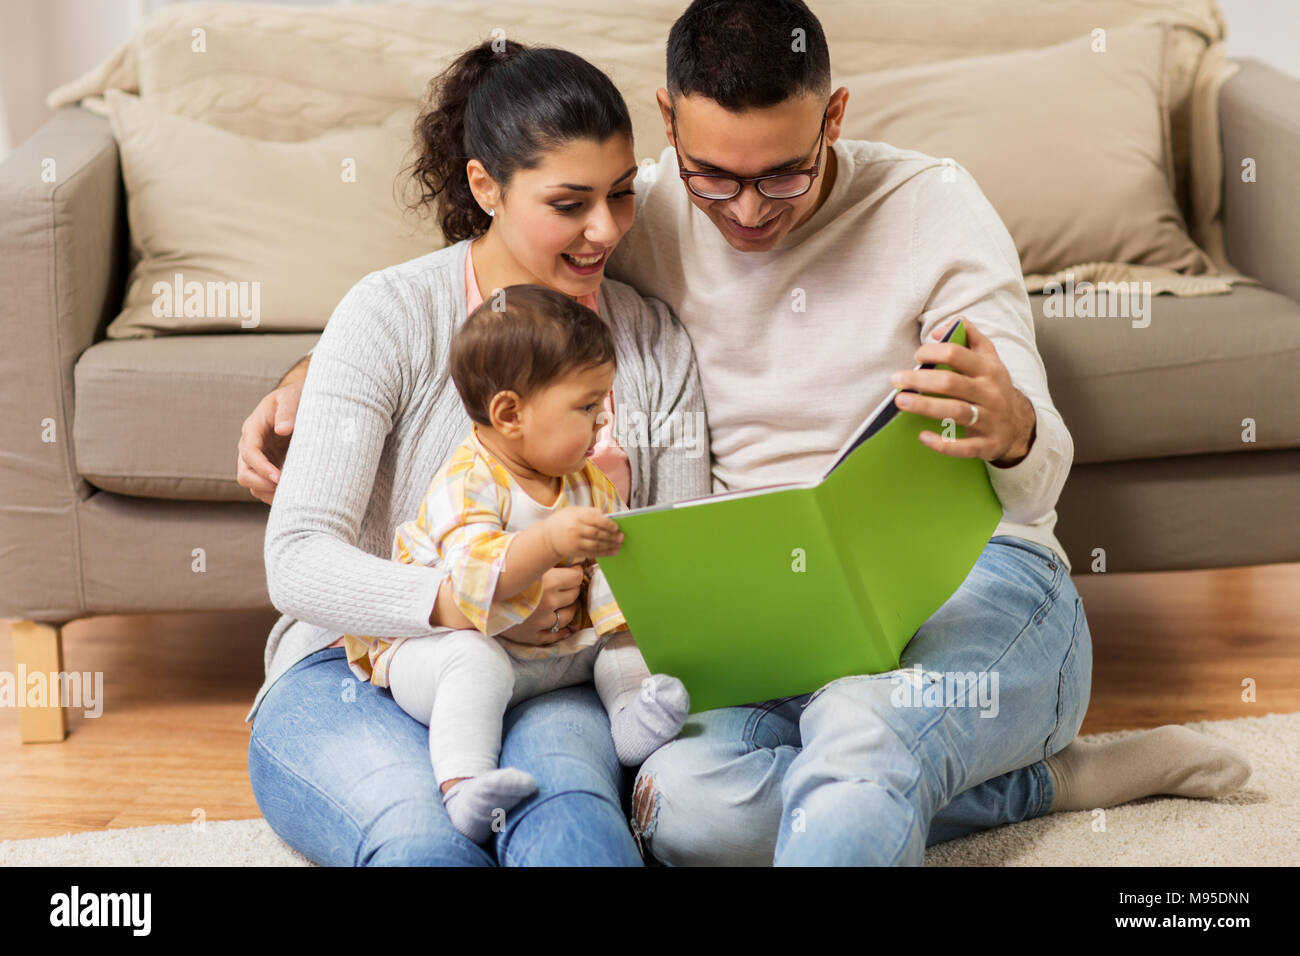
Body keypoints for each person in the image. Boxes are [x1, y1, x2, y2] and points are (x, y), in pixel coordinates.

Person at [240, 6, 1250, 866]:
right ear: (669, 125)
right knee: (673, 805)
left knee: (848, 735)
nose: (749, 211)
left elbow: (1029, 489)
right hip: (654, 624)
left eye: (785, 177)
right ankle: (1032, 786)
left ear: (835, 118)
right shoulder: (641, 214)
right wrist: (316, 376)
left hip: (954, 577)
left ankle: (922, 761)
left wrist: (1016, 428)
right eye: (714, 178)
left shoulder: (917, 213)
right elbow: (482, 283)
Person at [242, 40, 710, 866]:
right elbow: (298, 559)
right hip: (356, 666)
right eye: (570, 203)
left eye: (622, 195)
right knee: (426, 845)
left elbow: (678, 564)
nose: (605, 229)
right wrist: (469, 601)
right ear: (485, 186)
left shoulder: (652, 344)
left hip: (557, 675)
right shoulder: (389, 316)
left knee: (573, 835)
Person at [341, 285, 689, 843]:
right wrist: (549, 540)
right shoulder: (469, 478)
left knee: (624, 634)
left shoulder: (584, 480)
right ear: (509, 413)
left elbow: (623, 566)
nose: (603, 421)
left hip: (547, 655)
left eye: (602, 404)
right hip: (441, 652)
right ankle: (464, 785)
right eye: (585, 406)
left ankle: (631, 716)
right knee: (474, 663)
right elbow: (474, 576)